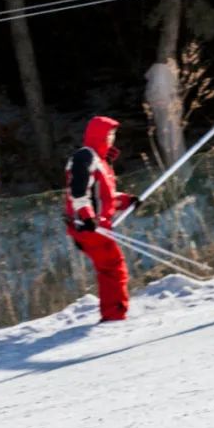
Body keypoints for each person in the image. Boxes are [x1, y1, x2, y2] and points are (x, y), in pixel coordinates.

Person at [64, 116, 139, 323]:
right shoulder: (85, 157)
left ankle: (114, 313)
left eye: (113, 134)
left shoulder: (101, 161)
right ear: (97, 135)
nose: (111, 139)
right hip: (88, 227)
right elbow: (78, 192)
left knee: (111, 268)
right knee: (113, 268)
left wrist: (126, 201)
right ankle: (114, 316)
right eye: (108, 134)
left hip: (94, 226)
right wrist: (88, 217)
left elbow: (103, 198)